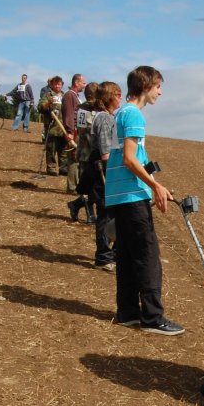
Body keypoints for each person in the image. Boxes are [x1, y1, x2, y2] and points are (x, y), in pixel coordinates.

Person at [104, 66, 184, 334]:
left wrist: (158, 185)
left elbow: (131, 157)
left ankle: (127, 312)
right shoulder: (135, 114)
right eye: (158, 86)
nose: (160, 92)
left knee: (126, 254)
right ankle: (153, 318)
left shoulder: (121, 112)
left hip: (118, 194)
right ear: (147, 85)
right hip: (131, 194)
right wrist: (154, 186)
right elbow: (129, 158)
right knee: (148, 255)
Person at [83, 80, 121, 270]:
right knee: (106, 214)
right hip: (103, 170)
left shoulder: (103, 116)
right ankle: (104, 257)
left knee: (109, 213)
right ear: (108, 97)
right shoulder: (105, 119)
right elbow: (106, 152)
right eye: (117, 94)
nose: (120, 97)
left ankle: (111, 254)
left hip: (101, 167)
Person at [67, 82, 99, 223]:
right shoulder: (89, 110)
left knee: (91, 185)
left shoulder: (81, 109)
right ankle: (89, 213)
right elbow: (90, 132)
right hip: (88, 152)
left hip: (84, 150)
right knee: (89, 185)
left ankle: (75, 205)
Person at [61, 73, 87, 194]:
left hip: (78, 130)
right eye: (83, 82)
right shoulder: (69, 96)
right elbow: (69, 115)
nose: (84, 85)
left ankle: (76, 185)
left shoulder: (75, 96)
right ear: (76, 83)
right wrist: (70, 131)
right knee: (73, 158)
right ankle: (72, 186)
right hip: (74, 131)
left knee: (77, 159)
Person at [38, 76, 67, 176]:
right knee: (51, 149)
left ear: (62, 84)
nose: (57, 86)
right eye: (55, 84)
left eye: (59, 84)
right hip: (52, 127)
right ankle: (51, 167)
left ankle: (63, 167)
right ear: (51, 85)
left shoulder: (65, 96)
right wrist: (48, 103)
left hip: (63, 128)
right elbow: (40, 108)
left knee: (63, 149)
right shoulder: (47, 95)